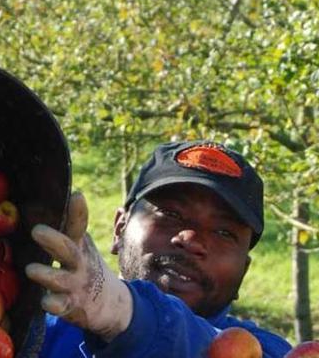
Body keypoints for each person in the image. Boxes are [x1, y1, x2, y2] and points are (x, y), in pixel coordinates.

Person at [23, 140, 293, 357]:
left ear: (243, 272)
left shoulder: (266, 351)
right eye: (171, 214)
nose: (191, 239)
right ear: (120, 229)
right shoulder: (34, 334)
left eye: (224, 232)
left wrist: (122, 311)